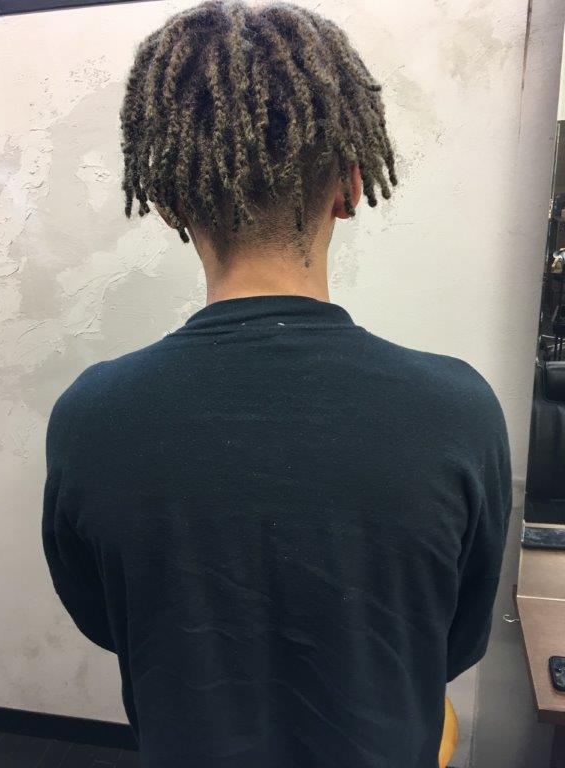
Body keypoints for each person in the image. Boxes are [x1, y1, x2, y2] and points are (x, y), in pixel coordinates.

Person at [42, 2, 512, 766]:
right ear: (352, 186)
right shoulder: (461, 411)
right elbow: (453, 642)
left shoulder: (90, 417)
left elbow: (106, 621)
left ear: (168, 201)